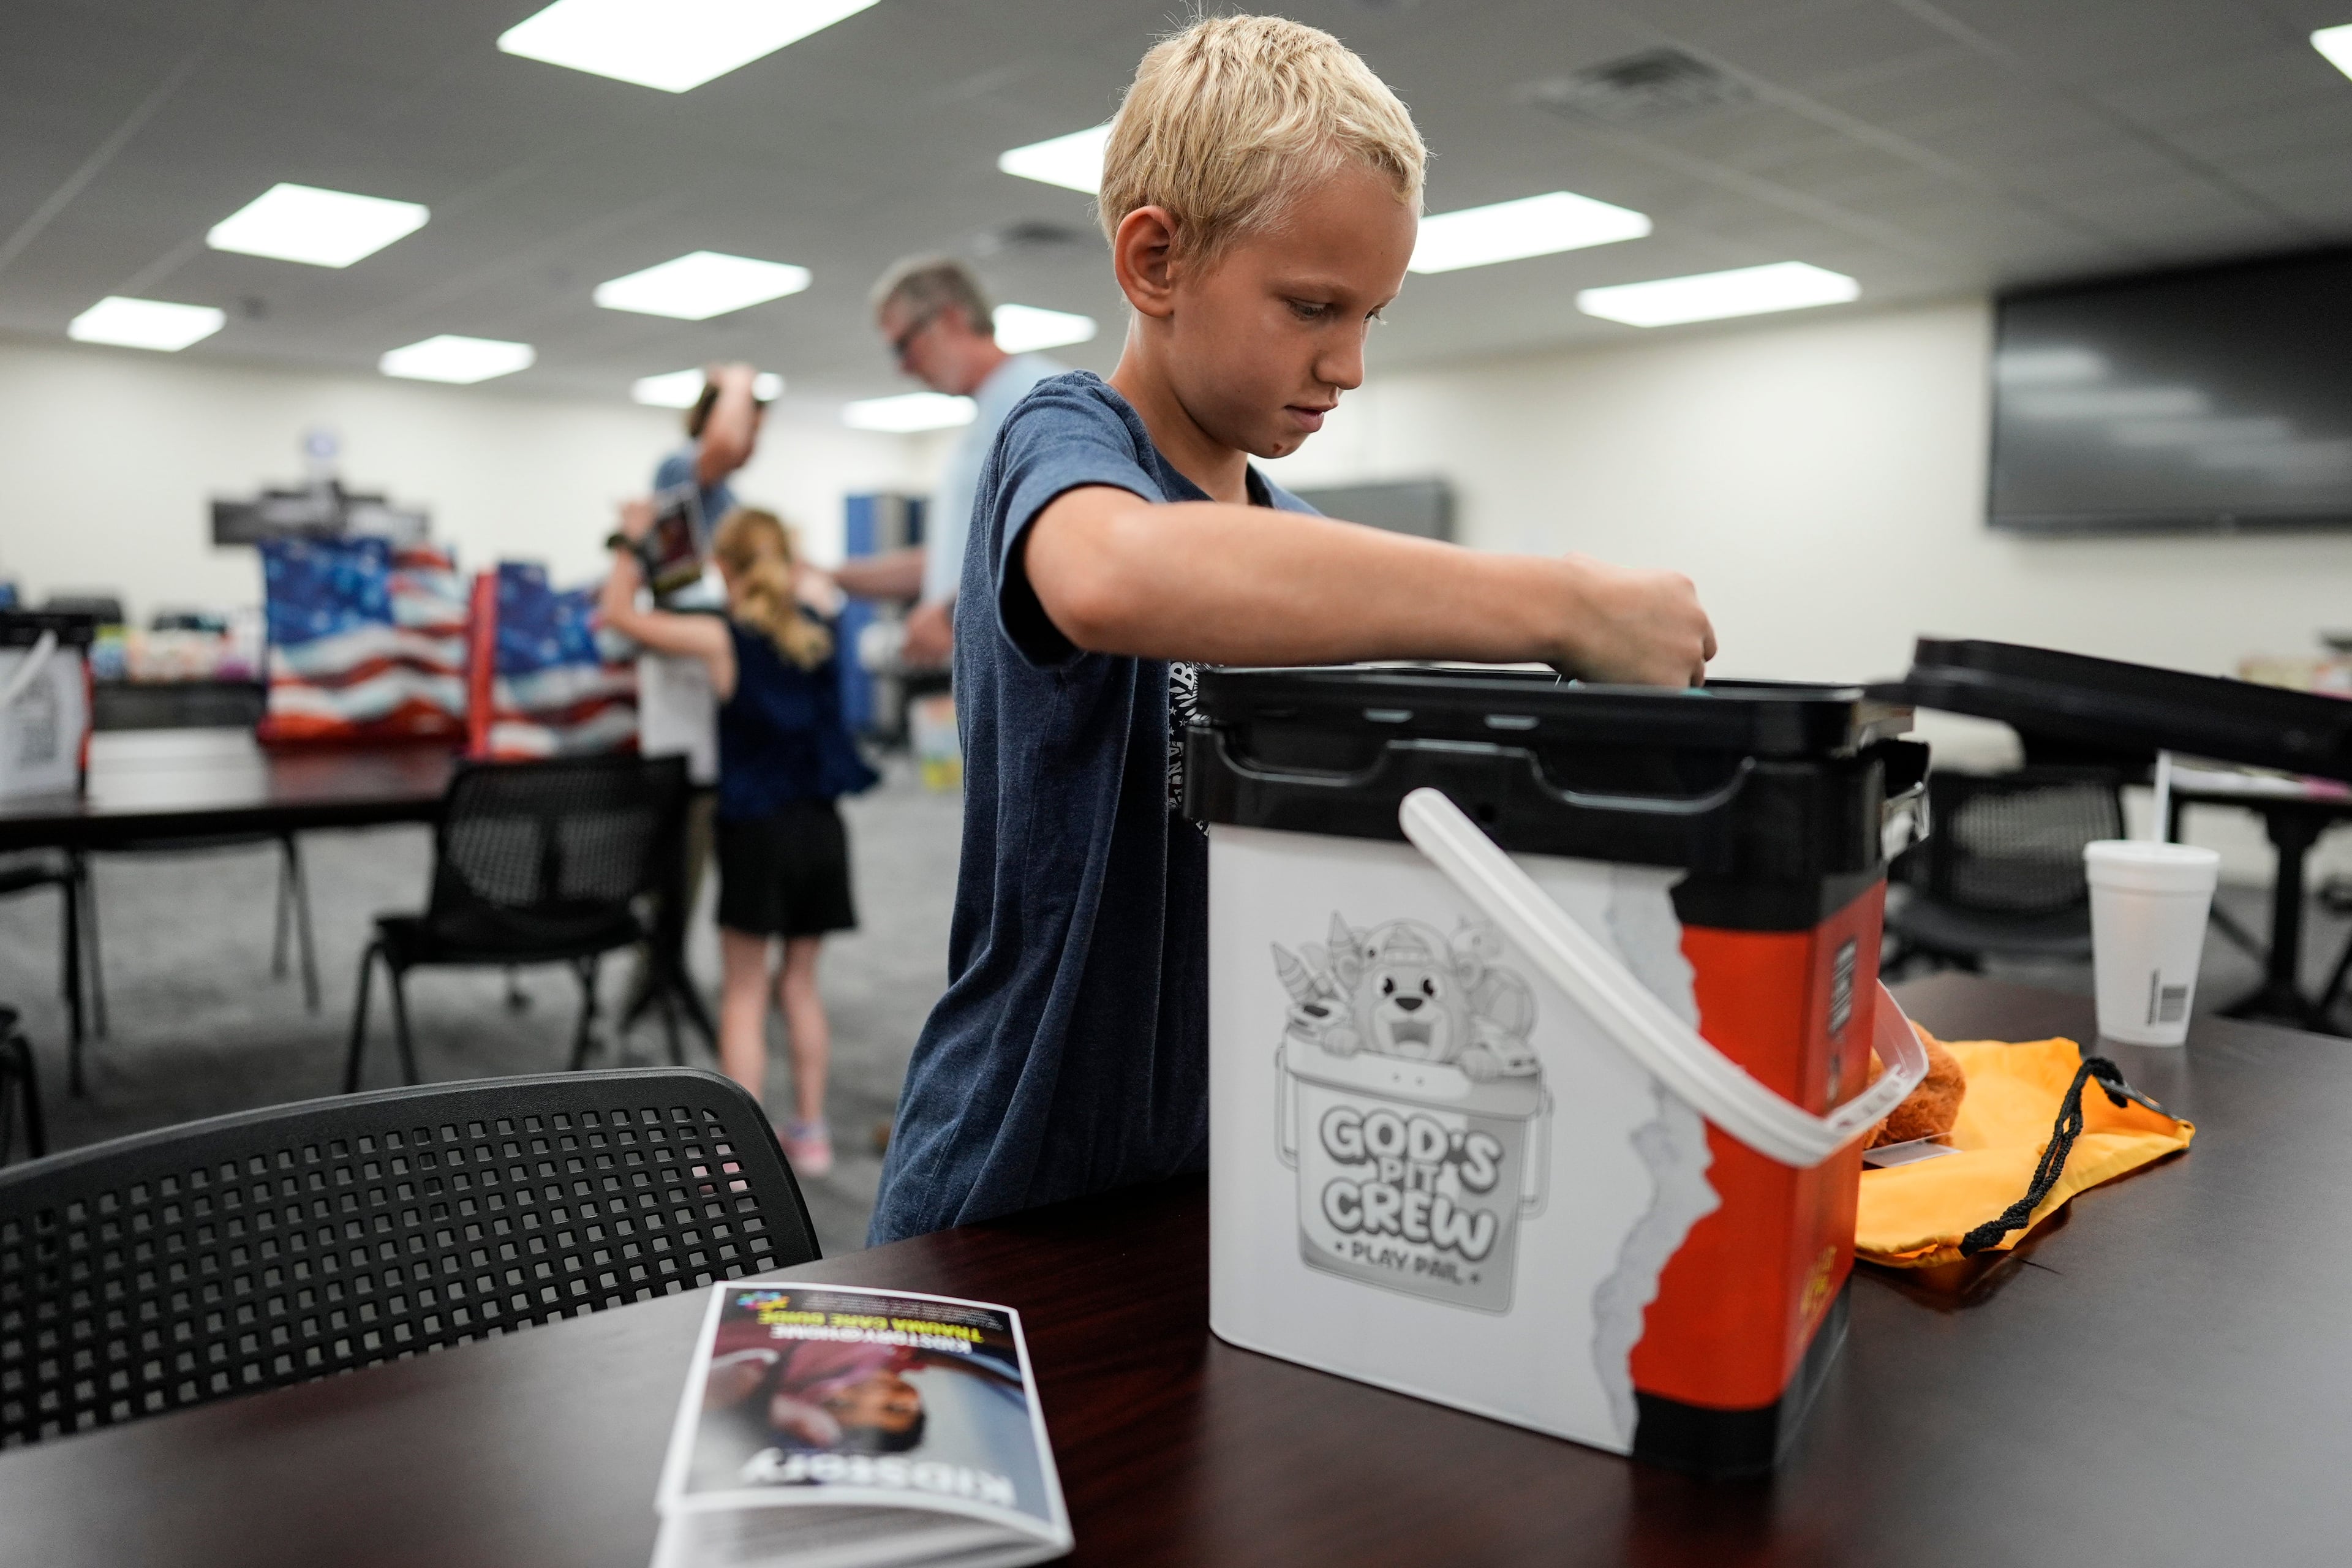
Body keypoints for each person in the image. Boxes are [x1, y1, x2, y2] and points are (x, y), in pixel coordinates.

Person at [867, 15, 1714, 1245]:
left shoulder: (1292, 535)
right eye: (1314, 305)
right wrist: (1567, 604)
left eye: (1374, 315)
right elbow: (1114, 574)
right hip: (1014, 1167)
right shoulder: (1059, 441)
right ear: (1156, 261)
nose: (1351, 365)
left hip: (1228, 1167)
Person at [599, 506, 876, 1178]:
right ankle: (810, 1134)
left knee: (745, 991)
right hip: (823, 830)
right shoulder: (819, 627)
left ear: (722, 567)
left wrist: (634, 542)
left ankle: (738, 1152)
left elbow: (617, 616)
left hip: (757, 831)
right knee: (800, 985)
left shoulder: (721, 637)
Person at [869, 259, 1069, 666]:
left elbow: (1065, 544)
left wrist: (948, 617)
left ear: (950, 320)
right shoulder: (987, 417)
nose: (902, 366)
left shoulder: (1043, 398)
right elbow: (961, 556)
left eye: (903, 345)